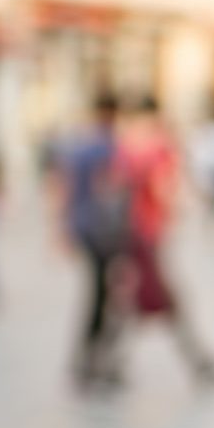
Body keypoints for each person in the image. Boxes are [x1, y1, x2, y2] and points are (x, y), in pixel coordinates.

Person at [112, 97, 214, 385]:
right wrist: (182, 204)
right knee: (160, 299)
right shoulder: (159, 147)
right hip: (150, 233)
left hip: (132, 233)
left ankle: (111, 362)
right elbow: (164, 187)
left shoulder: (125, 147)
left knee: (138, 299)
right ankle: (199, 361)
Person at [58, 96, 128, 390]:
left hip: (86, 228)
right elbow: (112, 188)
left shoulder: (81, 147)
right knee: (108, 298)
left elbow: (66, 187)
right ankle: (97, 360)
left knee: (98, 295)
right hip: (107, 232)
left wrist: (64, 228)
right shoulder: (110, 148)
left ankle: (88, 359)